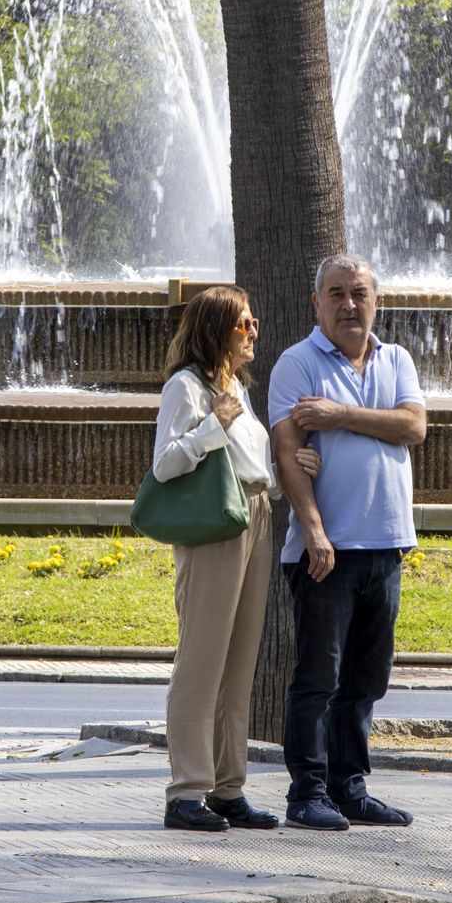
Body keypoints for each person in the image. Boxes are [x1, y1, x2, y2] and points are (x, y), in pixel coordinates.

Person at [151, 285, 318, 833]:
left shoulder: (237, 389)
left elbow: (253, 458)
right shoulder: (187, 388)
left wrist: (294, 461)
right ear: (216, 329)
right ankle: (185, 793)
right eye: (243, 323)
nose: (253, 331)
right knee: (201, 662)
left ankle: (228, 789)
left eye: (253, 321)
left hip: (256, 515)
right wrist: (211, 425)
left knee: (239, 662)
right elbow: (165, 467)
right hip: (214, 521)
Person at [268, 254, 426, 832]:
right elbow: (289, 454)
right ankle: (307, 792)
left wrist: (339, 414)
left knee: (367, 678)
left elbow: (414, 426)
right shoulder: (297, 363)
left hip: (386, 545)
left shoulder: (397, 359)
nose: (348, 305)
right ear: (317, 303)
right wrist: (312, 531)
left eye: (358, 293)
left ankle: (350, 787)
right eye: (335, 293)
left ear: (375, 300)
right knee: (318, 678)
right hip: (326, 550)